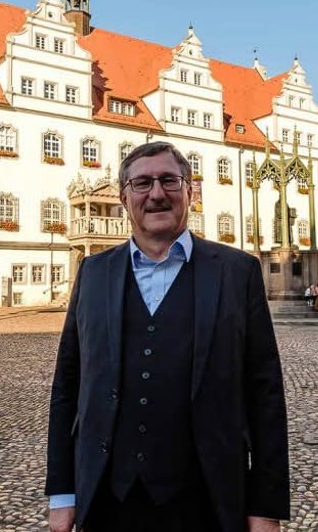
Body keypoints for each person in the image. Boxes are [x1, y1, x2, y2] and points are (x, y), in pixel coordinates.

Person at [46, 141, 289, 532]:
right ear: (125, 198)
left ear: (190, 192)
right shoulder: (93, 272)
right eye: (141, 183)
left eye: (169, 181)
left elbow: (265, 395)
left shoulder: (237, 271)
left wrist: (265, 507)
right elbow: (67, 387)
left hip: (206, 499)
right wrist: (62, 494)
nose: (156, 193)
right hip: (110, 497)